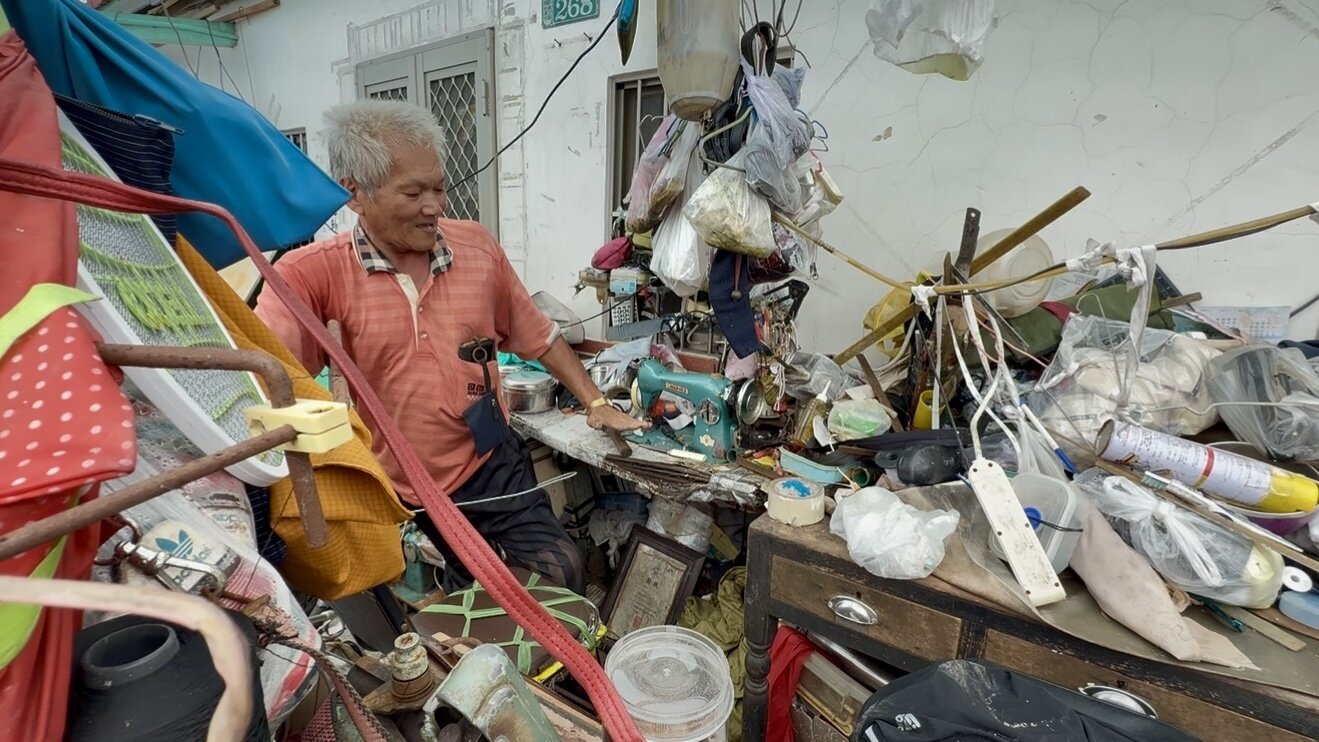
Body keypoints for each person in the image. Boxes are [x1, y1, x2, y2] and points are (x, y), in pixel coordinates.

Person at [256, 100, 646, 595]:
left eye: (439, 188)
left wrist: (595, 402)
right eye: (413, 192)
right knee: (469, 583)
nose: (434, 206)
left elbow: (539, 334)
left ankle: (548, 658)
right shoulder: (311, 273)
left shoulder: (477, 249)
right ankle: (492, 662)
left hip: (489, 458)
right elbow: (268, 375)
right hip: (402, 479)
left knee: (559, 566)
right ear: (354, 194)